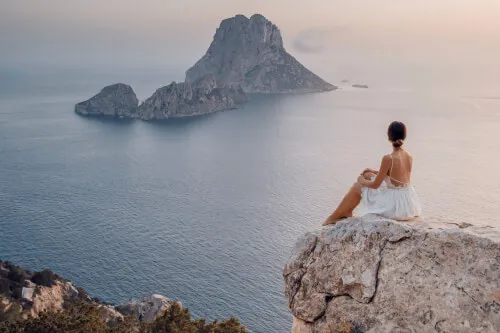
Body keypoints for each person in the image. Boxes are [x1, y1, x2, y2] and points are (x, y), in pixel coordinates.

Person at [323, 121, 421, 225]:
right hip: (407, 203)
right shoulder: (409, 155)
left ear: (389, 137)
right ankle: (345, 212)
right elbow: (396, 177)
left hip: (395, 207)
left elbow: (375, 185)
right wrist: (371, 172)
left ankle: (336, 216)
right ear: (404, 136)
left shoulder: (389, 158)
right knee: (367, 174)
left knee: (358, 186)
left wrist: (361, 180)